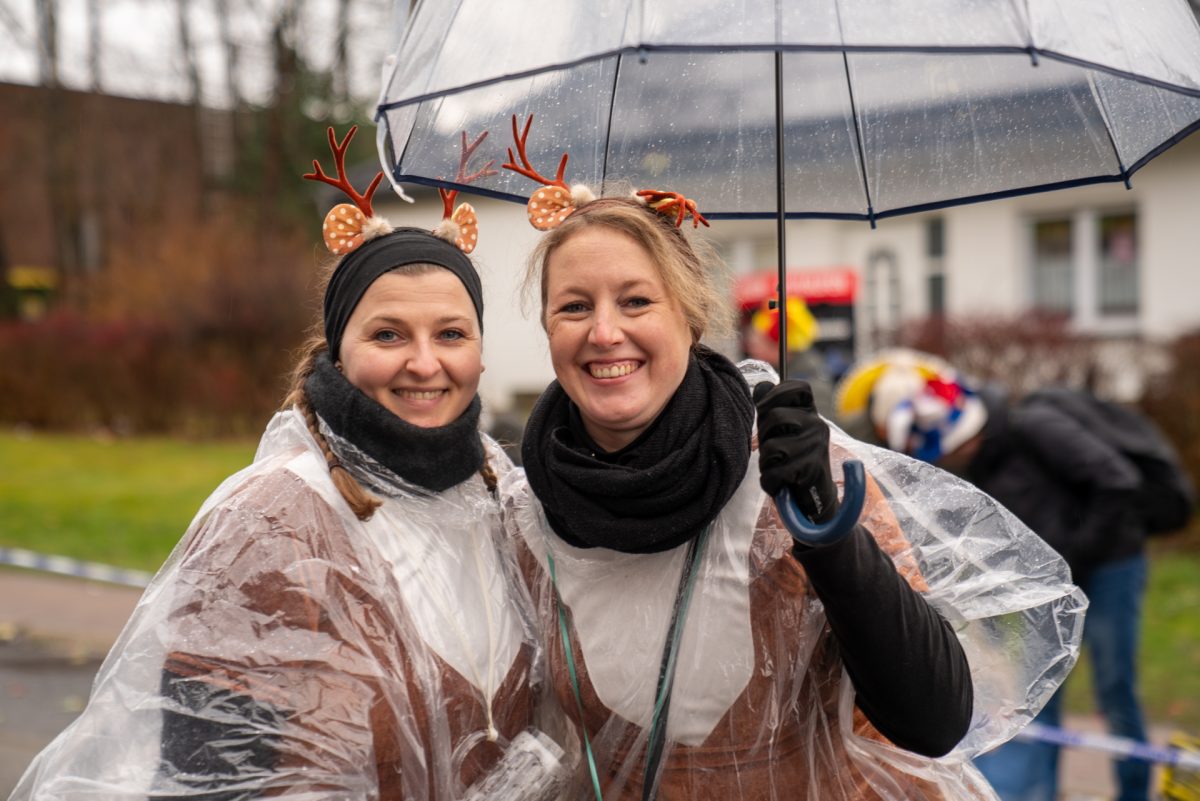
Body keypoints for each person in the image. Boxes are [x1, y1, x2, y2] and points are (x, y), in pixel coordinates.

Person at [495, 115, 1086, 801]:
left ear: (688, 317)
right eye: (573, 306)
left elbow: (934, 715)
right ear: (546, 328)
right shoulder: (526, 512)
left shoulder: (790, 468)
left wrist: (828, 533)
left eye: (636, 300)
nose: (604, 331)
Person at [10, 127, 565, 801]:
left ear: (480, 350)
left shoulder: (501, 497)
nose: (425, 362)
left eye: (450, 333)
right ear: (339, 348)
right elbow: (201, 775)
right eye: (388, 334)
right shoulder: (268, 522)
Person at [857, 355, 1195, 801]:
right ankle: (1044, 793)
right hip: (1056, 579)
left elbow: (1117, 481)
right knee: (1043, 686)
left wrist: (1073, 555)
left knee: (1115, 687)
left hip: (1112, 563)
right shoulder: (979, 466)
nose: (953, 460)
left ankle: (1132, 792)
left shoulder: (1033, 427)